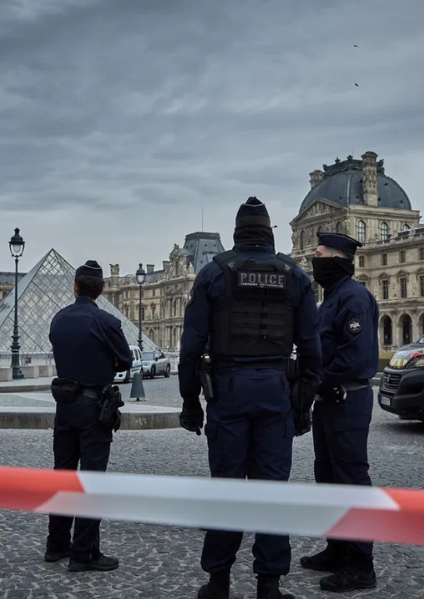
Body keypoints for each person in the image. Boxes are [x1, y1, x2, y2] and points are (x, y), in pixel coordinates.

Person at [178, 197, 321, 599]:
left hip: (228, 390)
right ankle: (269, 586)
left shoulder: (213, 273)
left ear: (237, 233)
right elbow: (312, 351)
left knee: (225, 487)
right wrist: (303, 404)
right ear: (270, 233)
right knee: (272, 489)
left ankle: (218, 582)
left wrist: (191, 402)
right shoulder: (295, 276)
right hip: (276, 390)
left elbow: (190, 348)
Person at [299, 232, 379, 592]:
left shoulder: (354, 298)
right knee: (328, 477)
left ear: (336, 258)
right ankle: (337, 547)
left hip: (347, 399)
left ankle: (361, 564)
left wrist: (320, 381)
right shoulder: (332, 298)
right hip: (331, 402)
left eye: (318, 254)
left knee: (351, 480)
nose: (314, 260)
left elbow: (357, 357)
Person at [44, 260, 132, 572]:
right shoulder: (106, 321)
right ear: (102, 289)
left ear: (75, 286)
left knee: (63, 476)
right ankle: (84, 554)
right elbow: (125, 360)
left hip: (64, 406)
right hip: (95, 407)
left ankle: (56, 545)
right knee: (90, 481)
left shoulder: (59, 318)